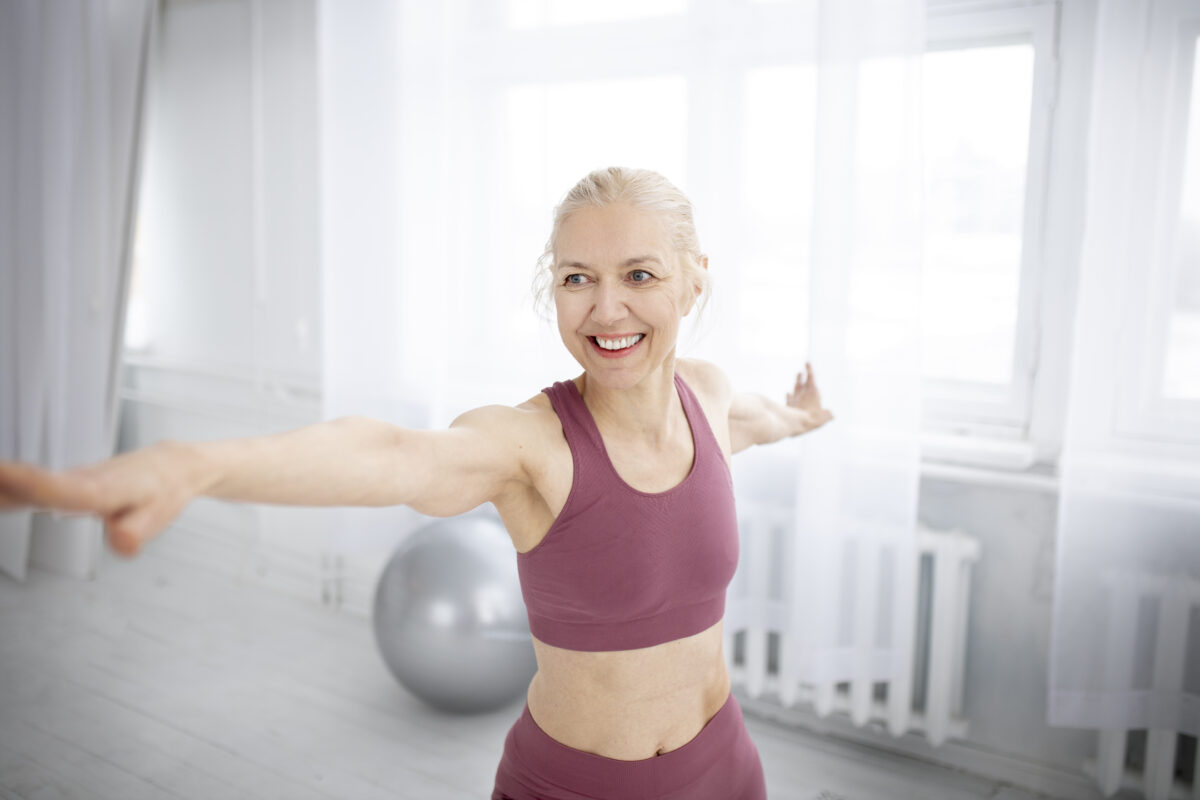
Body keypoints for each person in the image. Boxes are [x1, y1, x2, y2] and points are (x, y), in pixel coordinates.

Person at [0, 166, 833, 799]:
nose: (605, 310)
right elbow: (390, 453)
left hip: (724, 768)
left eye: (639, 275)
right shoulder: (531, 445)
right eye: (577, 277)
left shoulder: (710, 395)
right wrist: (195, 463)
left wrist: (804, 416)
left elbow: (761, 420)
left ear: (695, 278)